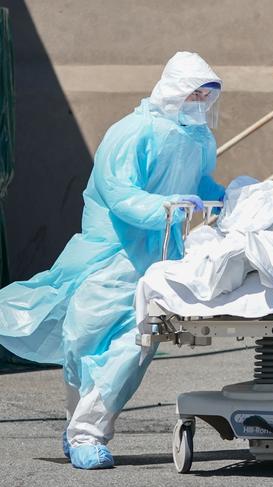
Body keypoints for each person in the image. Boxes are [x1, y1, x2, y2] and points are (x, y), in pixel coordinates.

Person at [0, 51, 226, 469]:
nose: (199, 102)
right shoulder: (133, 132)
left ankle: (87, 433)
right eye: (193, 93)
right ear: (175, 90)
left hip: (158, 260)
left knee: (132, 347)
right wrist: (163, 206)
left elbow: (198, 182)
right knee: (83, 342)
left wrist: (220, 193)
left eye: (205, 95)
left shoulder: (198, 140)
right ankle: (77, 427)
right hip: (111, 256)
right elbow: (118, 192)